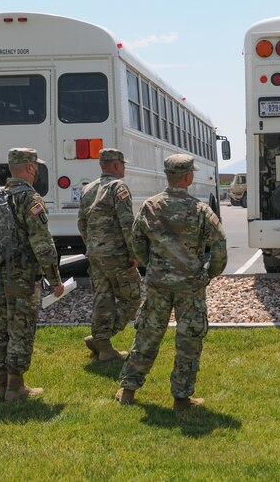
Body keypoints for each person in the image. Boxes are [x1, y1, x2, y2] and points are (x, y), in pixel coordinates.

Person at [116, 154, 227, 412]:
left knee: (148, 334)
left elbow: (136, 243)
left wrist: (151, 265)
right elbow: (220, 246)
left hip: (158, 283)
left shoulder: (150, 206)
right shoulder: (200, 210)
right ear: (188, 177)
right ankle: (181, 396)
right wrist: (208, 273)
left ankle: (128, 389)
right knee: (188, 339)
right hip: (190, 285)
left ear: (168, 176)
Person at [0, 148, 63, 402]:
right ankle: (16, 387)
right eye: (36, 166)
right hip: (21, 276)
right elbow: (42, 244)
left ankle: (1, 385)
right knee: (20, 328)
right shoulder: (30, 199)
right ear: (30, 168)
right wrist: (55, 279)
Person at [78, 148, 141, 362]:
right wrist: (134, 252)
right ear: (116, 165)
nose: (124, 168)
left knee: (102, 297)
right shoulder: (118, 187)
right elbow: (126, 222)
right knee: (132, 296)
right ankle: (102, 339)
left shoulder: (88, 189)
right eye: (123, 164)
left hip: (95, 254)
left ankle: (102, 345)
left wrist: (92, 245)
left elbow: (81, 222)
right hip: (115, 254)